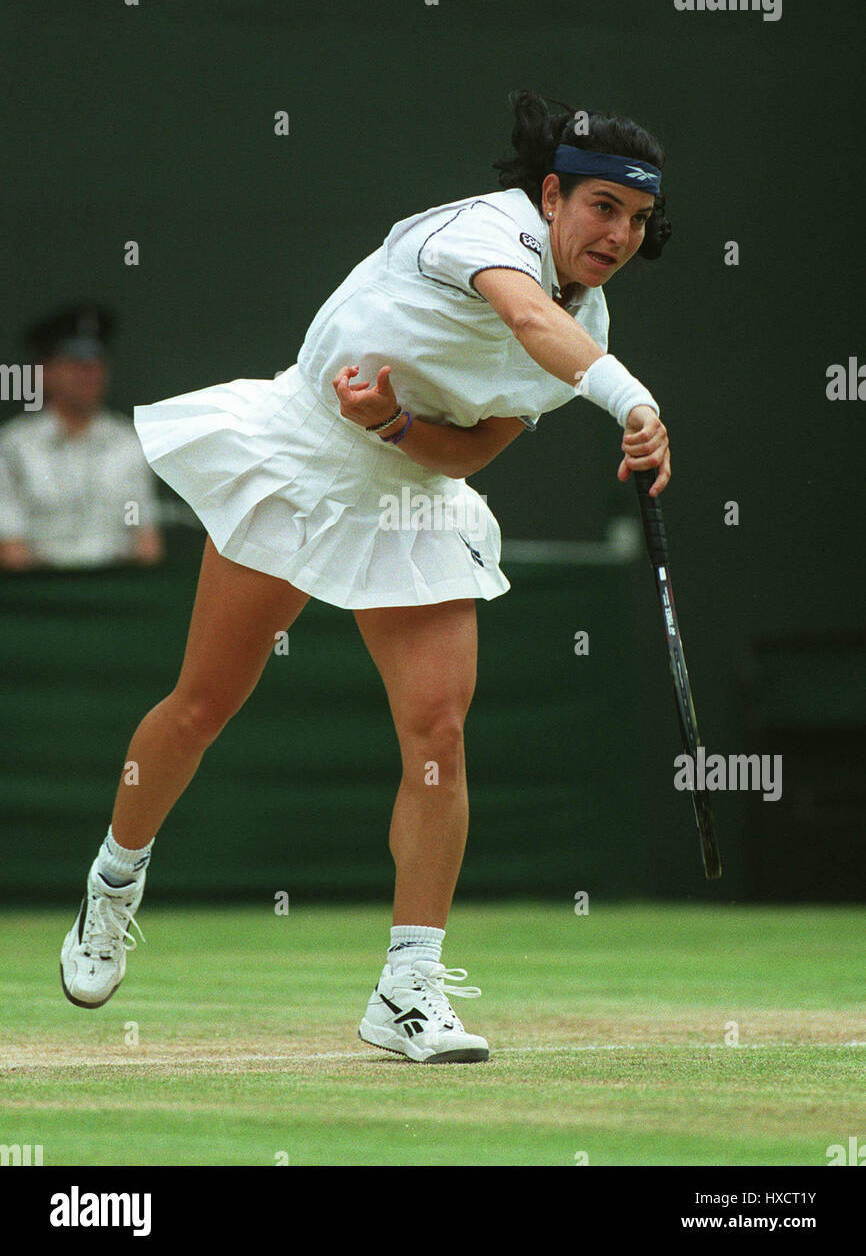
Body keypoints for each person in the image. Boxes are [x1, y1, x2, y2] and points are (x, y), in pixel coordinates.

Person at [60, 90, 672, 1063]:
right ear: (550, 197)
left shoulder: (585, 323)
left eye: (636, 220)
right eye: (601, 207)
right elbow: (521, 315)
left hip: (411, 489)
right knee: (202, 705)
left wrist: (390, 424)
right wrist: (628, 398)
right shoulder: (482, 233)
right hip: (301, 457)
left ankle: (407, 987)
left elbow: (470, 451)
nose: (617, 233)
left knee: (437, 732)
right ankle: (115, 878)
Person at [0, 305, 163, 570]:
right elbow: (11, 549)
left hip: (119, 592)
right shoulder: (11, 447)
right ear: (43, 372)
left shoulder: (129, 443)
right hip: (39, 595)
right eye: (76, 363)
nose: (90, 373)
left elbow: (147, 545)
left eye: (96, 362)